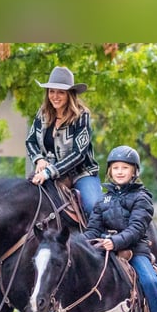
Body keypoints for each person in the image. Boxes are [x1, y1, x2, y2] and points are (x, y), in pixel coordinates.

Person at [83, 145, 157, 312]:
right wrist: (80, 244)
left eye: (125, 167)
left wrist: (115, 242)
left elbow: (136, 229)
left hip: (134, 249)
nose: (120, 172)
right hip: (104, 247)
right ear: (110, 171)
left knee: (150, 281)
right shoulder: (102, 199)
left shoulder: (142, 198)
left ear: (134, 171)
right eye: (116, 168)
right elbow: (93, 229)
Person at [26, 66, 102, 216]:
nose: (55, 96)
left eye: (61, 92)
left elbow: (79, 154)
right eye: (51, 91)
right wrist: (39, 159)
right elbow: (31, 141)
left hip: (81, 173)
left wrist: (48, 172)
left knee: (94, 207)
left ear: (70, 95)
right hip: (48, 172)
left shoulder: (82, 116)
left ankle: (102, 238)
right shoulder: (42, 113)